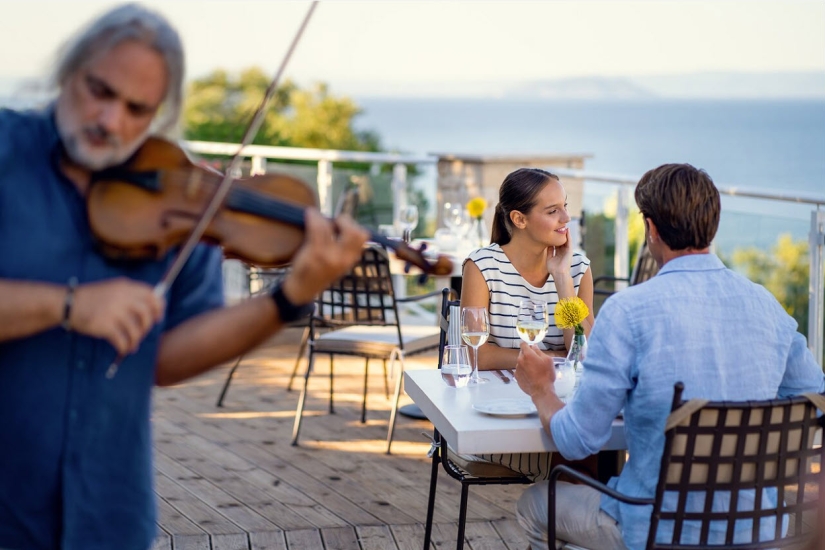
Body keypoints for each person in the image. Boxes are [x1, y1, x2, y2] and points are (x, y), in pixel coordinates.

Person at [0, 4, 368, 550]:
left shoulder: (183, 195)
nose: (111, 122)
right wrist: (70, 305)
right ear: (69, 71)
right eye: (99, 92)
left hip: (108, 516)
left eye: (137, 109)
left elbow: (167, 359)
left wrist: (291, 296)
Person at [514, 163, 825, 550]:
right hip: (758, 529)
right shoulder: (766, 305)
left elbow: (578, 441)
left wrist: (541, 390)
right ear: (712, 225)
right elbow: (815, 395)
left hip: (655, 530)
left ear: (651, 229)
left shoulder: (628, 311)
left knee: (534, 504)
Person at [458, 167, 595, 481]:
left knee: (587, 445)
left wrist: (562, 279)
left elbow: (585, 352)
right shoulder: (482, 266)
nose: (566, 218)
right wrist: (551, 359)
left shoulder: (576, 267)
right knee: (584, 453)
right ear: (519, 219)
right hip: (499, 416)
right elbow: (475, 354)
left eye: (565, 206)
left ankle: (567, 503)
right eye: (552, 211)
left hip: (559, 408)